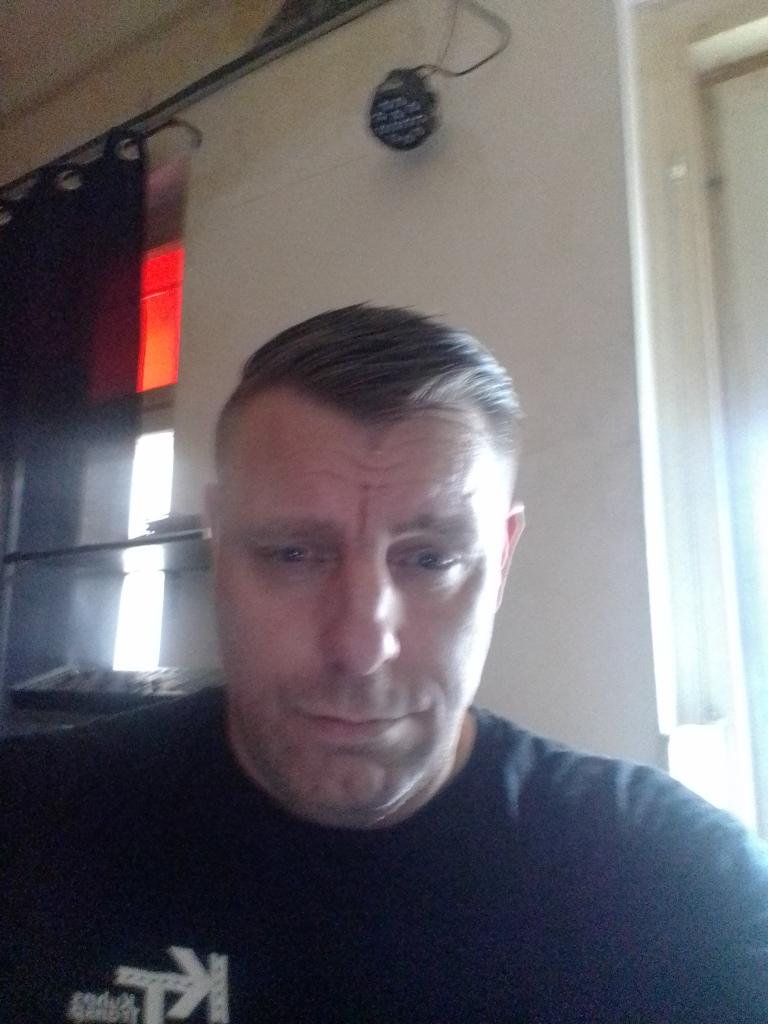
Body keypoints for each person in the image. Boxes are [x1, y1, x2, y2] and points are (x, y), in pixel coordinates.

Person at [1, 304, 767, 1024]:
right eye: (292, 553)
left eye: (430, 559)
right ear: (218, 539)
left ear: (500, 559)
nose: (360, 647)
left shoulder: (680, 886)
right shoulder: (29, 826)